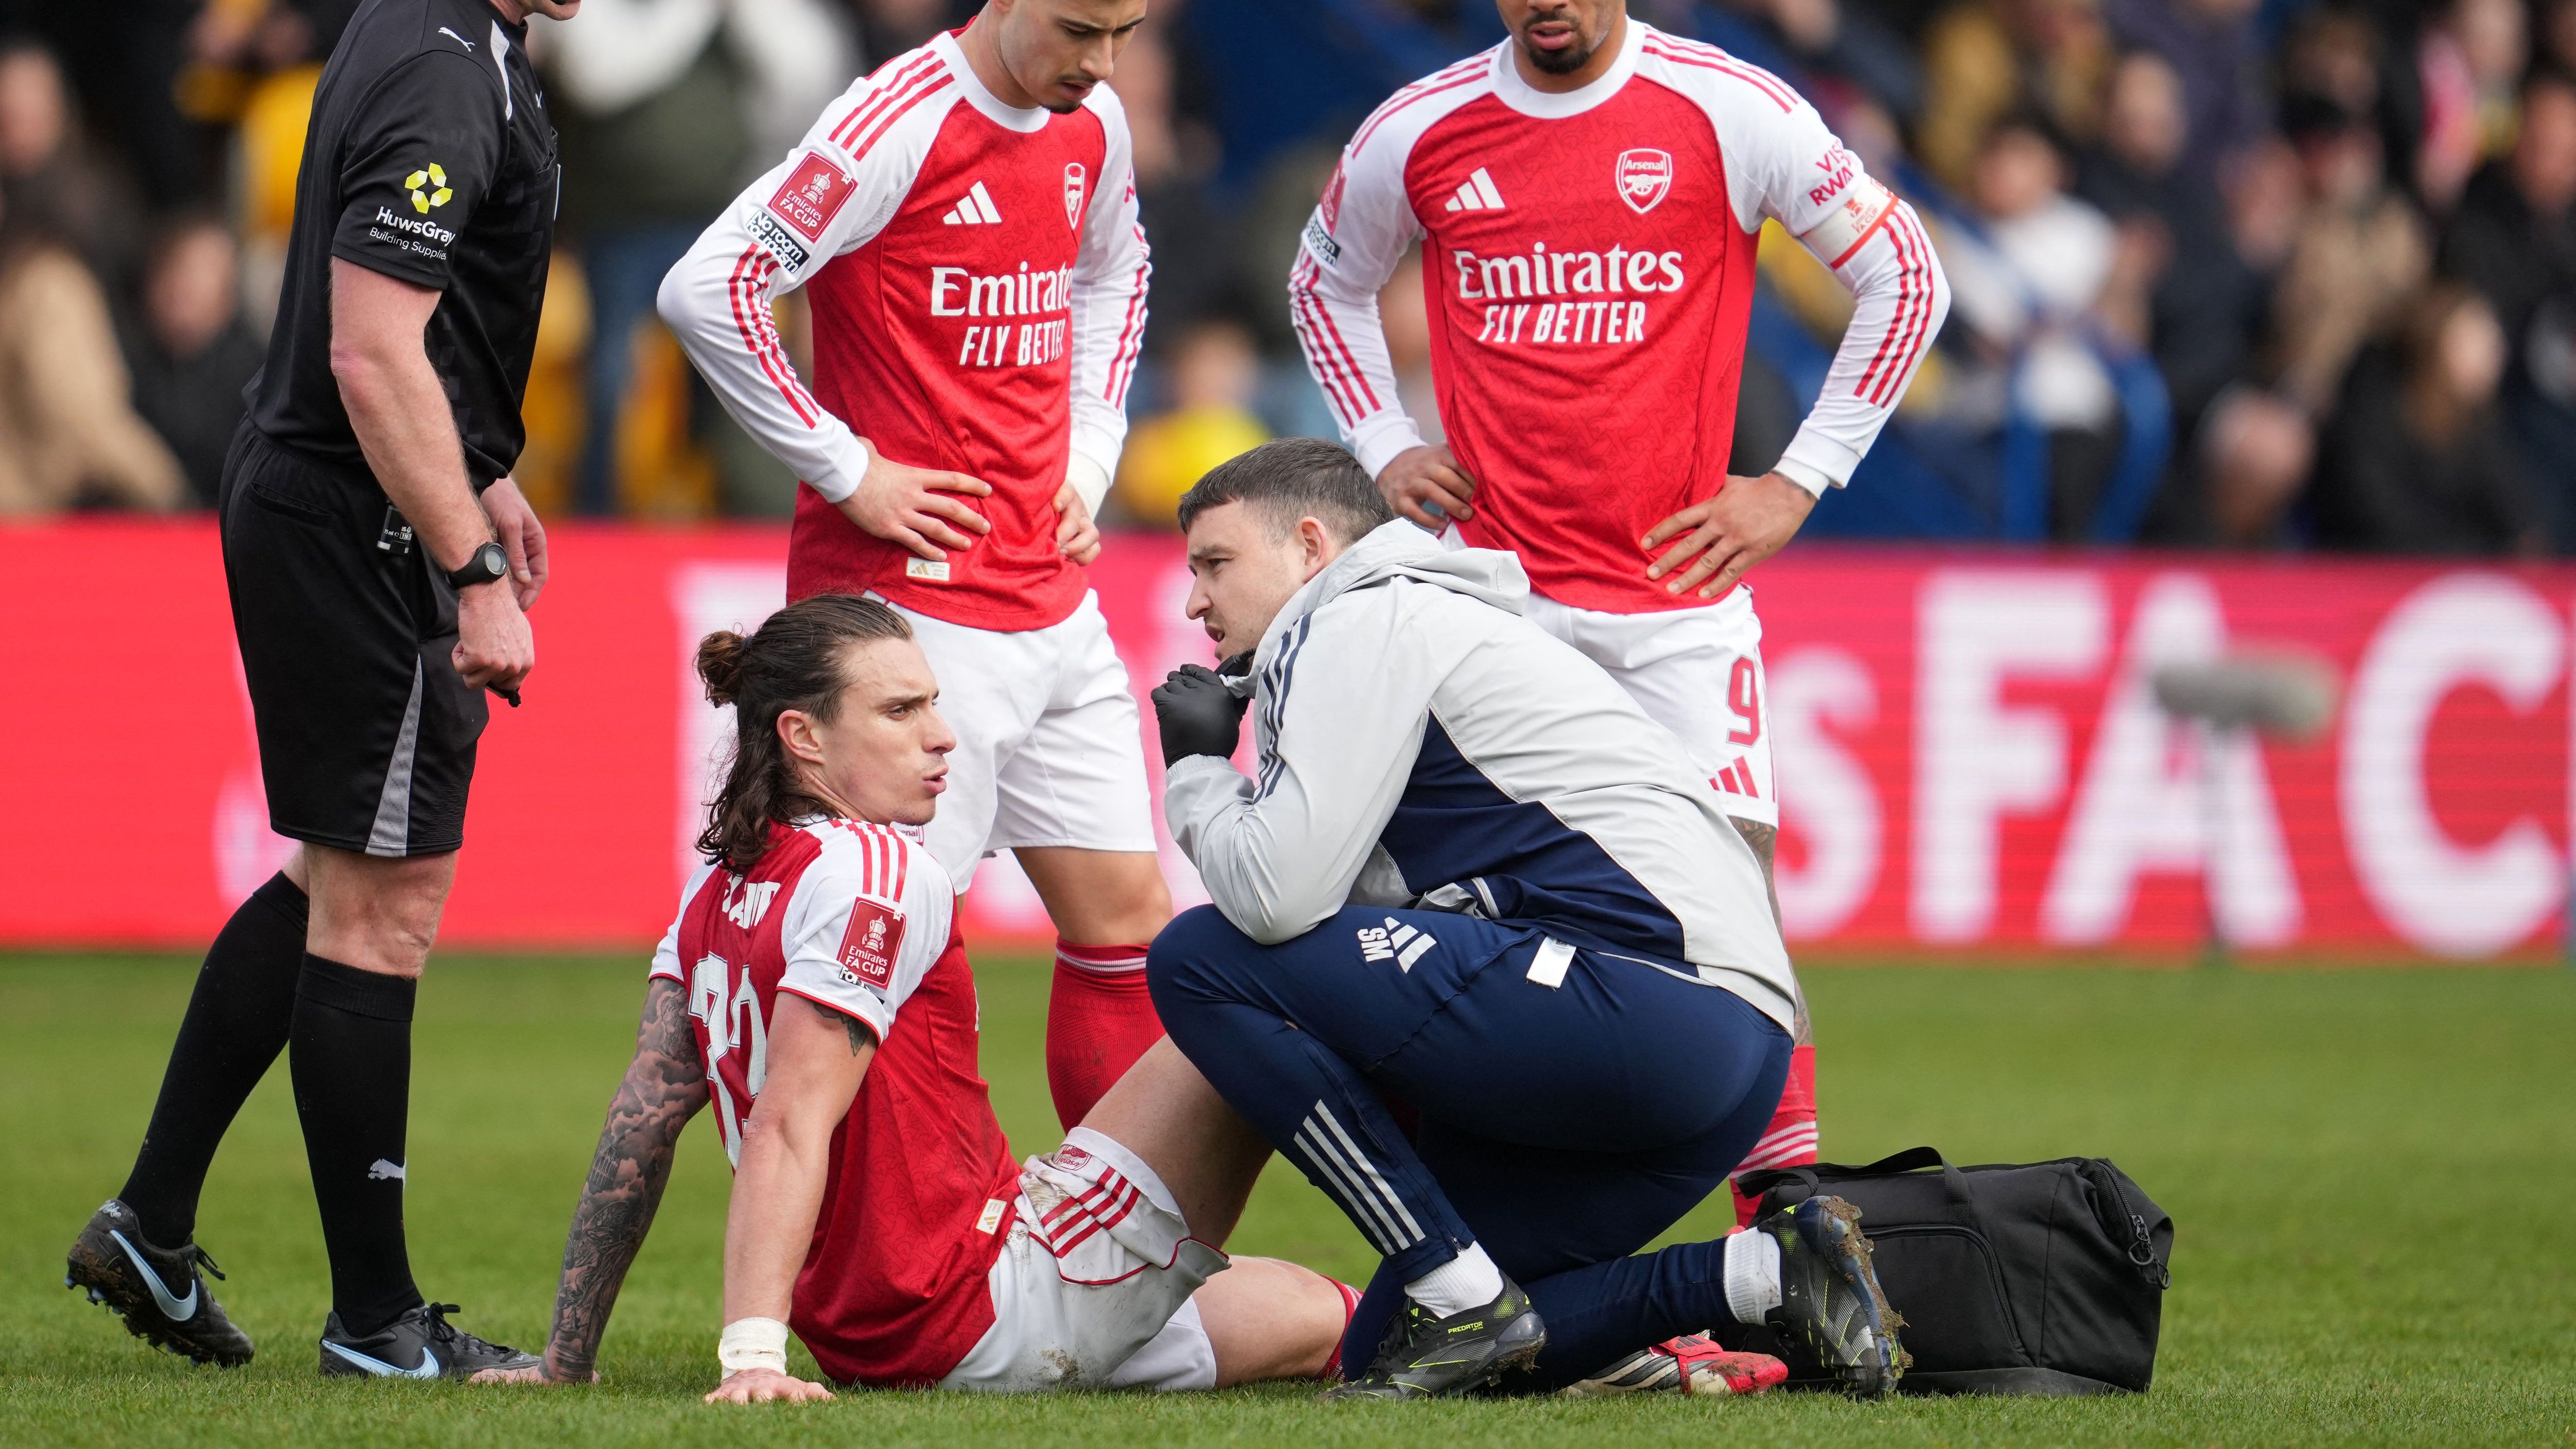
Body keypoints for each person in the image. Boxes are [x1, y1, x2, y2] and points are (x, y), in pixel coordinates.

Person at [1285, 0, 1949, 1284]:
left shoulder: (1726, 107)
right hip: (1496, 611)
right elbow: (1323, 278)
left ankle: (1787, 1230)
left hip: (1678, 610)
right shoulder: (1418, 129)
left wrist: (1798, 481)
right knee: (1460, 917)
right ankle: (1468, 1248)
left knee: (1735, 910)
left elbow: (1904, 274)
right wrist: (1382, 445)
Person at [1143, 440, 1903, 1400]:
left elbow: (1274, 900)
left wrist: (1198, 775)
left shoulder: (1359, 616)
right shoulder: (1421, 617)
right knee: (1388, 1350)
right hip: (1724, 1042)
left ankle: (1455, 1286)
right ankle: (1758, 1276)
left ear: (1307, 547)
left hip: (1643, 1005)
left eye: (1215, 563)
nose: (1194, 602)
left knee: (1201, 957)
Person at [65, 0, 574, 1380]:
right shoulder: (437, 64)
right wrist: (471, 565)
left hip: (357, 497)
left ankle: (151, 1228)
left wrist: (481, 462)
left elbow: (425, 325)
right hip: (363, 522)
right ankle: (375, 1324)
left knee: (335, 879)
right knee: (383, 906)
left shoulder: (436, 32)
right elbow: (367, 348)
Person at [490, 595, 1353, 1394]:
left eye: (933, 703)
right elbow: (788, 1123)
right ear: (804, 736)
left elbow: (641, 1119)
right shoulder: (878, 870)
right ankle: (1462, 1261)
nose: (943, 736)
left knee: (1341, 1320)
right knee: (1258, 972)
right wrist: (753, 1358)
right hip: (995, 1296)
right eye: (901, 712)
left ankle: (1442, 1304)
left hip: (879, 1334)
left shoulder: (715, 887)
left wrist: (565, 1360)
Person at [657, 0, 1171, 1134]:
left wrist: (1085, 461)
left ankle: (1122, 1259)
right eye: (1081, 29)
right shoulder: (892, 123)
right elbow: (713, 286)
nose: (1102, 63)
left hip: (1052, 599)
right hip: (907, 617)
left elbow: (1113, 277)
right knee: (876, 953)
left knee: (1128, 926)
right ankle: (837, 1271)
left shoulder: (1094, 125)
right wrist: (849, 468)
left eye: (1125, 32)